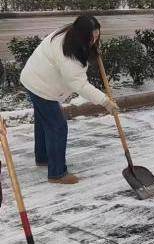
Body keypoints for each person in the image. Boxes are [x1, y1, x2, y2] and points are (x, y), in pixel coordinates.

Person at [20, 16, 118, 184]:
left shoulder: (69, 35)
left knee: (44, 121)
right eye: (91, 37)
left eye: (97, 36)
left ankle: (43, 158)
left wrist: (92, 46)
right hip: (41, 87)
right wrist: (105, 101)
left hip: (34, 78)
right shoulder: (69, 56)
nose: (95, 40)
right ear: (82, 36)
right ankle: (57, 173)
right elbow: (80, 85)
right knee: (57, 127)